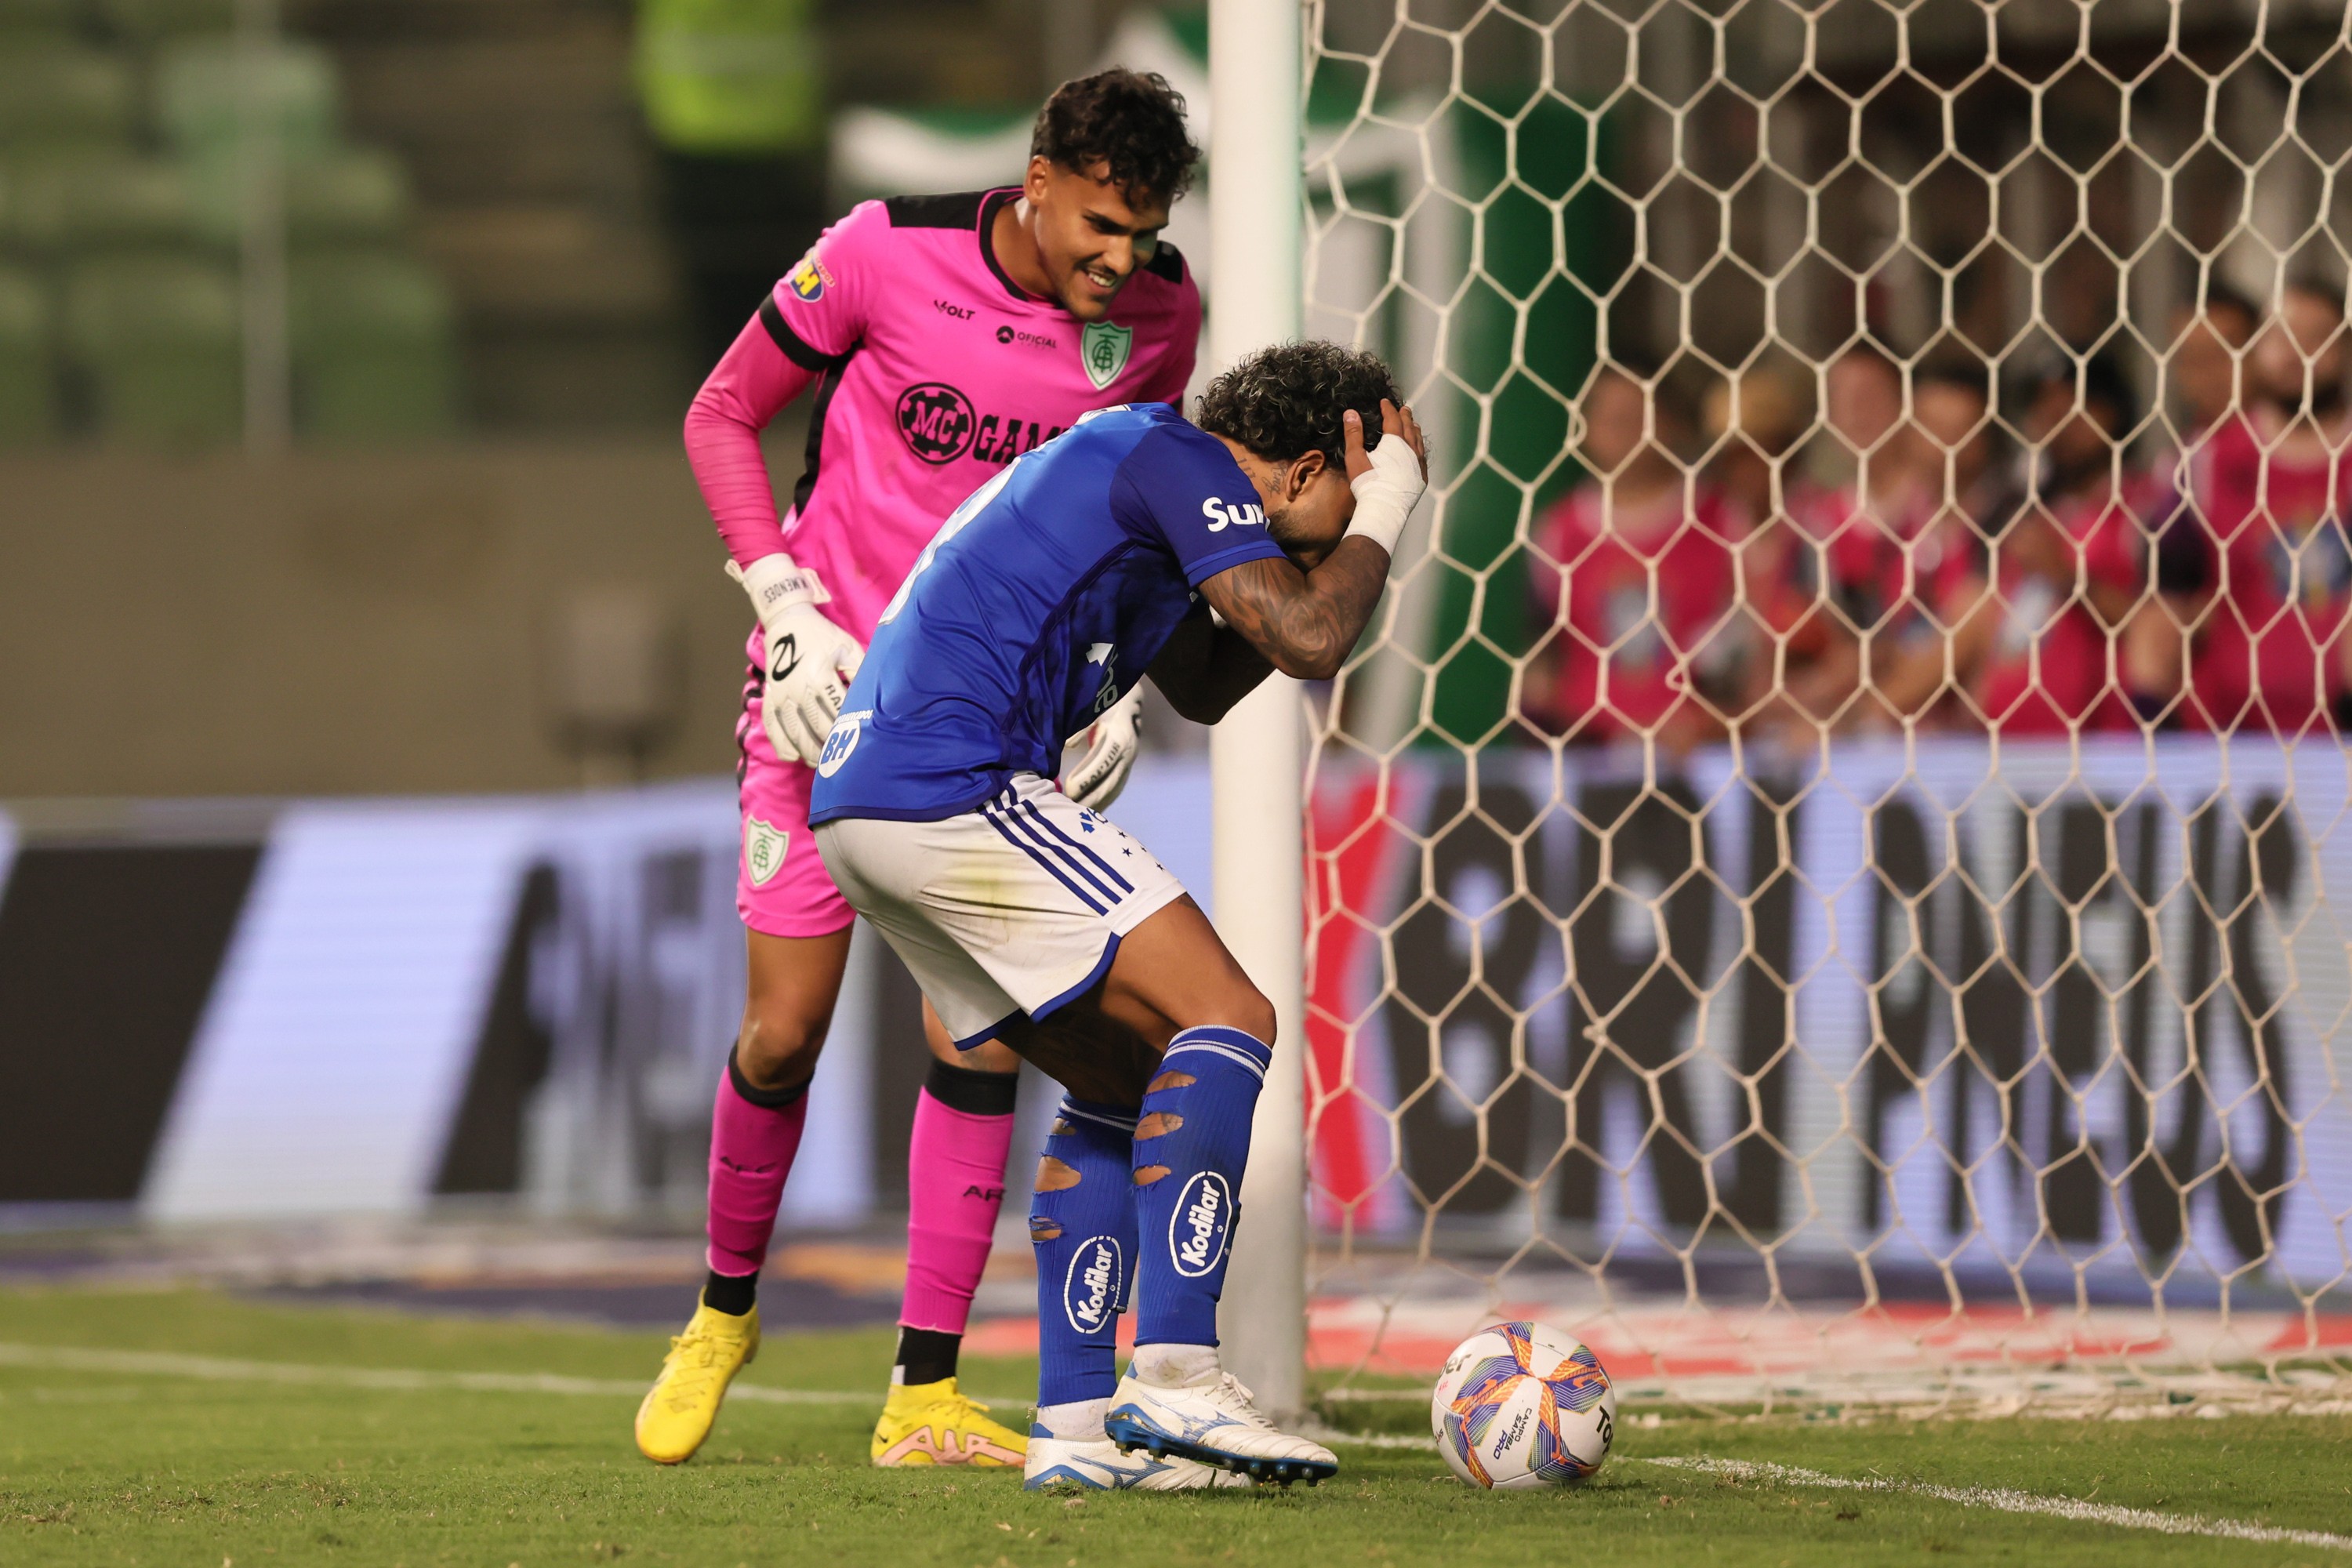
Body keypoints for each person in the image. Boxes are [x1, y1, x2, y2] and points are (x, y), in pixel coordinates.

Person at [637, 68, 1204, 1472]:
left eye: (1144, 235)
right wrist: (781, 601)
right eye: (1101, 227)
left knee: (980, 1036)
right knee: (783, 1033)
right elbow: (721, 412)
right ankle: (720, 1316)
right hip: (820, 694)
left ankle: (923, 1393)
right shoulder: (884, 252)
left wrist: (1113, 685)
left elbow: (1129, 514)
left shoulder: (1159, 319)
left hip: (991, 729)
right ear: (1039, 178)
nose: (1120, 262)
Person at [808, 343, 1428, 1490]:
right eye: (1342, 491)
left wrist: (1318, 550)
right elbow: (1310, 637)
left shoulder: (1144, 477)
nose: (1345, 529)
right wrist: (1389, 501)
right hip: (954, 782)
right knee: (1231, 1016)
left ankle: (1078, 1428)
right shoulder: (1170, 452)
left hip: (864, 805)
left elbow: (1207, 681)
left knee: (1123, 1078)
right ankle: (1179, 1372)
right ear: (1305, 470)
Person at [1523, 362, 1744, 752]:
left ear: (1670, 423)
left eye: (1635, 417)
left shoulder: (1721, 518)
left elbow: (1752, 644)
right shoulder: (1559, 532)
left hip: (1704, 751)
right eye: (1609, 419)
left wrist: (1713, 720)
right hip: (1589, 752)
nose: (1622, 431)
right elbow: (1544, 658)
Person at [2178, 279, 2352, 736]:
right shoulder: (2206, 461)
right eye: (2283, 336)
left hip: (2340, 738)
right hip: (2232, 736)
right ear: (2254, 349)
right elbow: (2164, 607)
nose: (2298, 353)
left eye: (2317, 337)